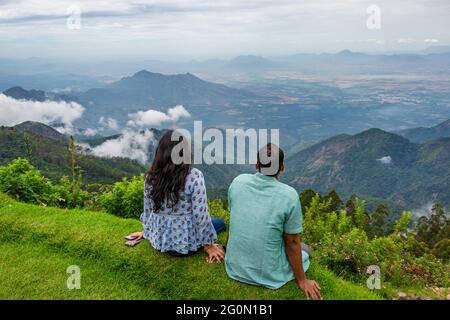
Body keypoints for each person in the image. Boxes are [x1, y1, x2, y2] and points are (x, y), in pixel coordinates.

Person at [224, 143, 322, 299]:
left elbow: (233, 220)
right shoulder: (289, 195)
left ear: (257, 164)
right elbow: (292, 243)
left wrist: (227, 249)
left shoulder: (238, 182)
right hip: (267, 273)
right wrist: (302, 280)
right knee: (305, 249)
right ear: (281, 168)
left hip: (234, 266)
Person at [125, 130, 226, 263]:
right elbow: (200, 216)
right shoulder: (194, 176)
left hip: (160, 241)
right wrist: (209, 244)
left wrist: (147, 231)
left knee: (214, 222)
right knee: (220, 223)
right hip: (186, 244)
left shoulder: (151, 177)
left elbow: (148, 209)